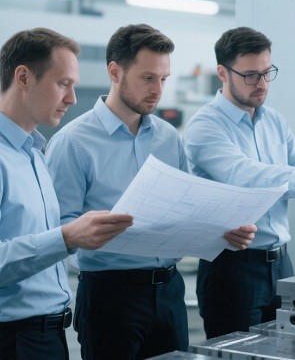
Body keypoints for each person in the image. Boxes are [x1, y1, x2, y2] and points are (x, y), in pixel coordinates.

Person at [45, 24, 257, 360]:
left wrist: (221, 229)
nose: (158, 89)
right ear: (115, 71)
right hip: (111, 296)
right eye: (147, 78)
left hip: (169, 292)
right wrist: (94, 233)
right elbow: (58, 230)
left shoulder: (168, 137)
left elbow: (188, 207)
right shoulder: (73, 142)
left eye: (163, 79)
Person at [183, 26, 295, 339]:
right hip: (232, 269)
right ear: (222, 73)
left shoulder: (273, 120)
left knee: (288, 349)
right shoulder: (205, 126)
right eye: (251, 75)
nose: (262, 84)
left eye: (268, 73)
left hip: (281, 264)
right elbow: (246, 174)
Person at [0, 28, 133, 360]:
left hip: (48, 336)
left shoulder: (34, 154)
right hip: (12, 340)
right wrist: (67, 237)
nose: (72, 98)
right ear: (23, 77)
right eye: (63, 84)